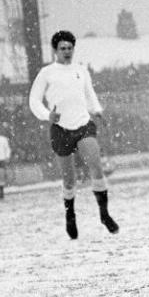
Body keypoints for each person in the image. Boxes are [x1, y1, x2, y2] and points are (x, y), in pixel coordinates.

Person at [29, 30, 119, 240]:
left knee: (95, 165)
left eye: (70, 48)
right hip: (60, 129)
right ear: (55, 50)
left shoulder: (81, 70)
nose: (67, 52)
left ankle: (104, 214)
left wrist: (97, 111)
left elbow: (89, 93)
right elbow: (34, 100)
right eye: (63, 48)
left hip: (83, 124)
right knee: (69, 180)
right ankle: (70, 214)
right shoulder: (47, 73)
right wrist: (46, 115)